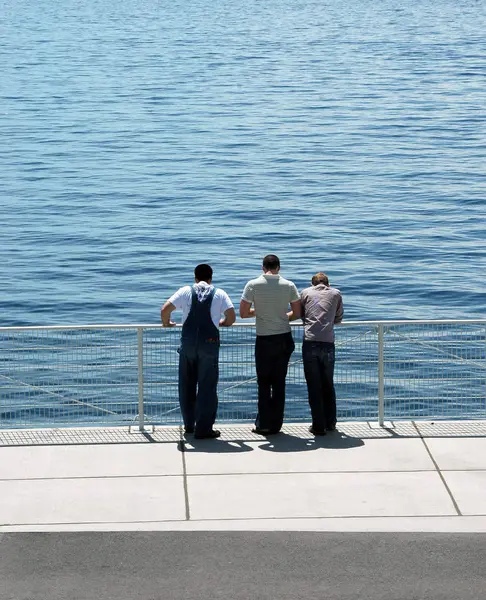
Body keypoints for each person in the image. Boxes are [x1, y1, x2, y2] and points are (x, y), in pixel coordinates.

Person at [161, 264, 236, 439]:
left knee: (186, 385)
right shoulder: (220, 293)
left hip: (188, 345)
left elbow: (165, 310)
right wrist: (223, 322)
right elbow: (232, 317)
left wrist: (167, 323)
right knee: (207, 387)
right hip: (209, 345)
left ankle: (189, 424)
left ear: (195, 277)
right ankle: (204, 429)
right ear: (211, 278)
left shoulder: (186, 291)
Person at [240, 255, 301, 435]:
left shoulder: (253, 284)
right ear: (279, 268)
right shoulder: (289, 285)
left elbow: (243, 313)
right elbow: (297, 313)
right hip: (283, 338)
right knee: (279, 383)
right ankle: (277, 425)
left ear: (262, 267)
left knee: (264, 383)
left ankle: (264, 424)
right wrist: (281, 316)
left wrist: (260, 312)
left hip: (264, 339)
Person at [300, 272, 343, 435]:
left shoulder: (305, 293)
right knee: (328, 384)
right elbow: (338, 318)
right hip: (328, 344)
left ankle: (318, 425)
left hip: (310, 342)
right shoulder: (336, 294)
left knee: (314, 386)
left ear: (313, 284)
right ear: (328, 284)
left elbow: (302, 315)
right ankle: (330, 422)